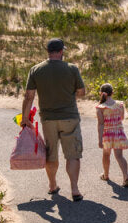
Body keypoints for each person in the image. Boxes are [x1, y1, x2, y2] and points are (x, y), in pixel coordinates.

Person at [21, 38, 86, 202]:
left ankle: (52, 185)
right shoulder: (72, 69)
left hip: (48, 119)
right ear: (61, 51)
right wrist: (70, 93)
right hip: (69, 117)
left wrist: (25, 118)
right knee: (73, 155)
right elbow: (81, 92)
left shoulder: (36, 70)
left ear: (48, 51)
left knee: (51, 154)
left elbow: (29, 96)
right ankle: (75, 189)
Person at [95, 83, 128, 187]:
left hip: (107, 134)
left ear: (100, 94)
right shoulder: (120, 105)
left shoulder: (100, 107)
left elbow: (101, 124)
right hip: (118, 133)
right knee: (119, 156)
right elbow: (122, 118)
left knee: (106, 155)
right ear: (113, 93)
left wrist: (99, 139)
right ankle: (126, 176)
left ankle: (106, 175)